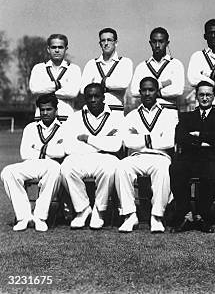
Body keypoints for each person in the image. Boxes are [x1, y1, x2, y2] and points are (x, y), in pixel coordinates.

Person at [116, 77, 179, 233]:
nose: (147, 93)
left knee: (164, 169)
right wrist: (155, 137)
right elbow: (127, 141)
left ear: (157, 91)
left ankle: (156, 216)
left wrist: (141, 137)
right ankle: (130, 215)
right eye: (144, 90)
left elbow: (170, 141)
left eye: (151, 90)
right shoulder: (131, 115)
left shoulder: (169, 114)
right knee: (122, 166)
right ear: (139, 93)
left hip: (160, 156)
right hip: (137, 156)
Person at [170, 81, 215, 233]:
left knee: (211, 171)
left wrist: (198, 135)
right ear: (196, 96)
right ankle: (187, 214)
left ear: (214, 96)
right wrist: (207, 140)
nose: (205, 98)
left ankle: (202, 216)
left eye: (208, 95)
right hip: (189, 157)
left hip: (211, 159)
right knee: (176, 168)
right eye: (201, 95)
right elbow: (180, 137)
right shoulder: (186, 117)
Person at [60, 83, 123, 229]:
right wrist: (102, 142)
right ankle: (82, 209)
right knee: (66, 168)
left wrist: (88, 139)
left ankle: (99, 211)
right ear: (85, 99)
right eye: (89, 97)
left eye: (97, 96)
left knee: (109, 169)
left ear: (103, 98)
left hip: (106, 158)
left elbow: (115, 146)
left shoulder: (115, 117)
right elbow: (69, 147)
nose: (93, 100)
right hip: (81, 157)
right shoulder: (74, 118)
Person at [1, 94, 64, 232]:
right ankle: (24, 217)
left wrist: (37, 146)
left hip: (52, 165)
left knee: (54, 168)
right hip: (32, 164)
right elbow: (25, 154)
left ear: (56, 110)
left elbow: (61, 152)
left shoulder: (64, 128)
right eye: (42, 110)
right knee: (8, 171)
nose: (45, 113)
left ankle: (40, 217)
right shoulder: (30, 128)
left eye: (49, 109)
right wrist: (49, 150)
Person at [29, 34, 81, 121]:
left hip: (66, 118)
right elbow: (35, 89)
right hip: (42, 118)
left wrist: (46, 91)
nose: (57, 50)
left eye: (60, 47)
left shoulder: (74, 69)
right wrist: (59, 85)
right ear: (48, 49)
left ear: (66, 49)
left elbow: (73, 92)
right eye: (53, 47)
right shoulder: (38, 68)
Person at [130, 27, 184, 110]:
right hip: (147, 112)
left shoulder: (176, 64)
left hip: (169, 110)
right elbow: (134, 91)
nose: (157, 45)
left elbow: (178, 90)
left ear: (167, 43)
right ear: (150, 43)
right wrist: (162, 84)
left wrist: (150, 91)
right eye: (154, 42)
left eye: (161, 41)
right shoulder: (142, 66)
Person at [80, 28, 133, 113]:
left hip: (115, 109)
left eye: (109, 40)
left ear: (116, 43)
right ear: (100, 44)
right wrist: (111, 84)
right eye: (103, 40)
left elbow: (123, 83)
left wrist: (98, 83)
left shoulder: (125, 62)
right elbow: (83, 89)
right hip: (94, 111)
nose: (106, 43)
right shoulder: (91, 64)